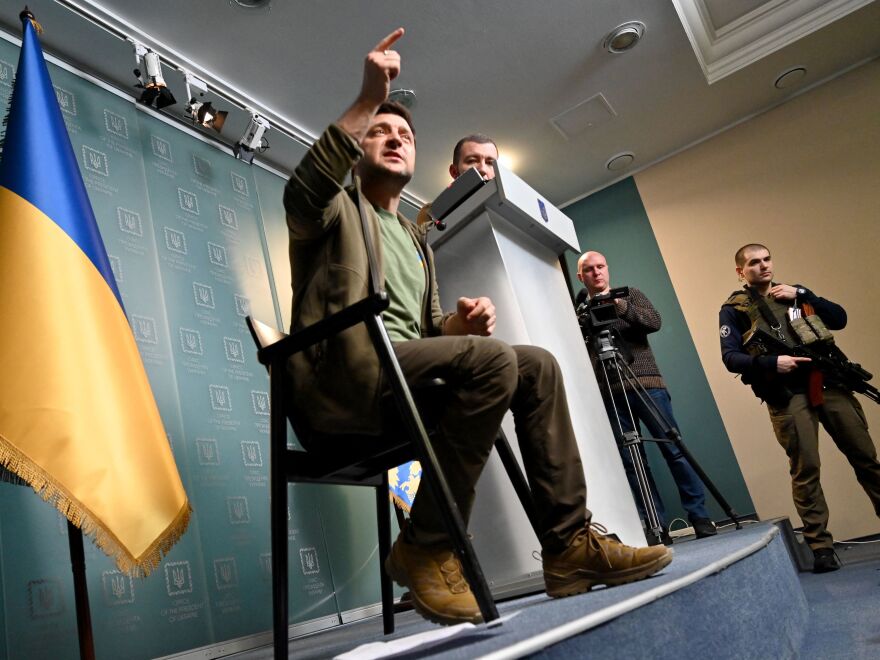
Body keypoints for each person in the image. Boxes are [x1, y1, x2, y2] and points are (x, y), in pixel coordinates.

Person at [283, 28, 672, 626]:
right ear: (359, 146)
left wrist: (454, 323)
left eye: (405, 135)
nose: (394, 140)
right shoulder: (335, 211)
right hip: (345, 387)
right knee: (491, 360)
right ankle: (428, 545)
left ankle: (568, 548)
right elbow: (302, 190)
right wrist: (368, 98)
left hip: (402, 380)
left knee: (535, 363)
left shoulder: (417, 240)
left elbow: (421, 331)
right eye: (381, 132)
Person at [719, 243, 880, 573]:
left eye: (766, 259)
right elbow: (730, 357)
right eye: (753, 263)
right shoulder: (733, 309)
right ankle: (821, 546)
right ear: (741, 271)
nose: (763, 266)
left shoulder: (795, 294)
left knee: (866, 458)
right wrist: (770, 362)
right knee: (806, 471)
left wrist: (805, 293)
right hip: (787, 393)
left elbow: (840, 319)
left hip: (829, 385)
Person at [576, 251, 717, 542]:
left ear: (607, 268)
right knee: (632, 460)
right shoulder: (578, 311)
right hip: (610, 392)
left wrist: (620, 306)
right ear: (581, 277)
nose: (596, 273)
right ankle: (655, 525)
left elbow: (654, 322)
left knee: (674, 450)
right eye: (589, 270)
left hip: (647, 384)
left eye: (600, 266)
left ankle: (700, 516)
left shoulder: (631, 295)